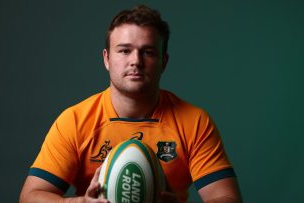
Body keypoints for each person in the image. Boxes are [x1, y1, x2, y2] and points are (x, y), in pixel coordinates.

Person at [20, 5, 242, 203]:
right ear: (107, 59)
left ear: (163, 62)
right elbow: (30, 196)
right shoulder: (75, 121)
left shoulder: (194, 122)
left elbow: (227, 197)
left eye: (148, 52)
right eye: (125, 50)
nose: (136, 60)